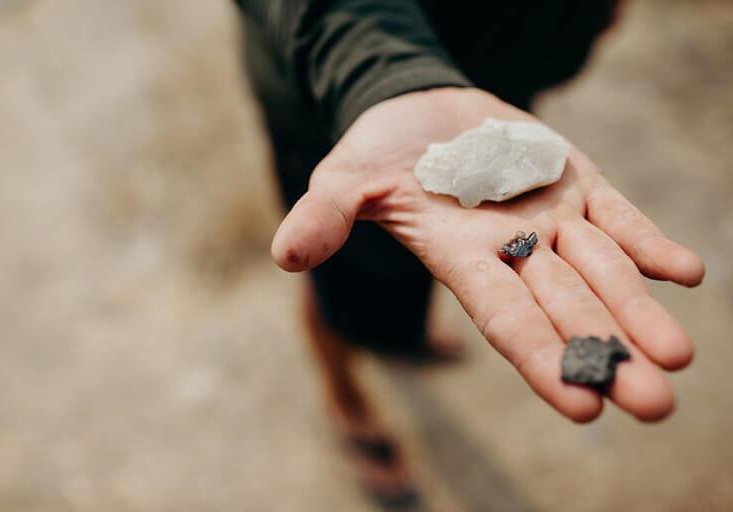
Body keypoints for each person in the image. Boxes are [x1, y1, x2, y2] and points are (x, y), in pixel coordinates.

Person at [235, 0, 705, 504]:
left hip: (500, 70)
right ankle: (344, 398)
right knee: (348, 282)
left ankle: (405, 331)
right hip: (344, 95)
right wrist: (382, 75)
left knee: (424, 272)